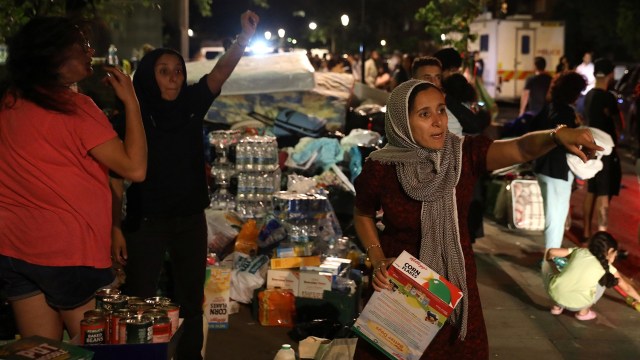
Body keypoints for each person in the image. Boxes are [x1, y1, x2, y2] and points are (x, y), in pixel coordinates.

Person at [353, 80, 601, 359]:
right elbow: (362, 213)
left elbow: (519, 149)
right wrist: (376, 260)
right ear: (401, 121)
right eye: (425, 114)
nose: (438, 122)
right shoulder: (382, 166)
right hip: (400, 289)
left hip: (453, 289)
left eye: (441, 110)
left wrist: (556, 136)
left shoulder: (463, 155)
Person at [110, 11, 258, 360]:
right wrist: (114, 226)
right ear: (149, 76)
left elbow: (220, 73)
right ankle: (140, 355)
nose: (174, 78)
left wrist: (244, 38)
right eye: (164, 72)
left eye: (178, 71)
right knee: (140, 298)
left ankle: (190, 355)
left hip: (190, 218)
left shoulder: (192, 103)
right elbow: (116, 178)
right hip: (146, 222)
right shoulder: (134, 113)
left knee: (191, 299)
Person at [0, 17, 146, 342]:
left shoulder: (9, 103)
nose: (90, 52)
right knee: (93, 351)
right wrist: (132, 103)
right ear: (55, 58)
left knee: (43, 352)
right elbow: (134, 168)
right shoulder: (75, 108)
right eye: (82, 46)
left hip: (15, 249)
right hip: (70, 255)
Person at [532, 72, 587, 250]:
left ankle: (551, 255)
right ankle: (551, 260)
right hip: (557, 169)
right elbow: (568, 141)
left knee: (553, 216)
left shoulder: (550, 107)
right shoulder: (566, 113)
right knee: (556, 218)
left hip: (542, 165)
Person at [542, 232, 640, 320]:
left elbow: (551, 252)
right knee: (604, 280)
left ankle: (557, 307)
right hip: (578, 304)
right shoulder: (608, 267)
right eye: (615, 254)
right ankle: (583, 313)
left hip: (554, 294)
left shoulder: (580, 251)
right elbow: (627, 288)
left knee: (559, 268)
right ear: (610, 251)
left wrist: (555, 267)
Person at [582, 58, 622, 242]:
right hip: (605, 150)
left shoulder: (589, 95)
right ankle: (602, 236)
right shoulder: (608, 97)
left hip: (590, 148)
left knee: (591, 190)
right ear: (609, 74)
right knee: (603, 193)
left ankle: (586, 232)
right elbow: (619, 123)